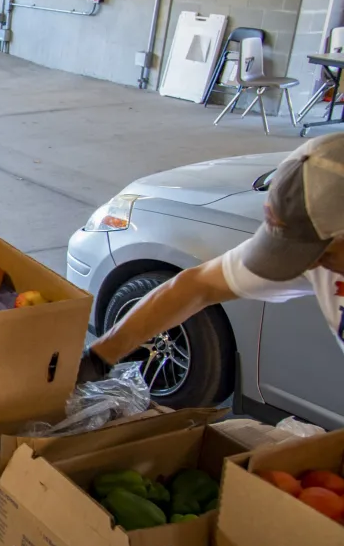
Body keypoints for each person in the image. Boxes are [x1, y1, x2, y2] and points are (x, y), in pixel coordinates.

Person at [78, 132, 344, 386]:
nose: (309, 266)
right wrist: (98, 359)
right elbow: (196, 287)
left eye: (323, 253)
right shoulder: (319, 248)